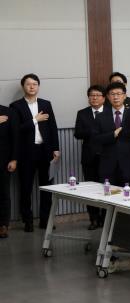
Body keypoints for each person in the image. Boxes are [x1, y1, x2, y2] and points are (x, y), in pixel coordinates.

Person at [10, 74, 60, 232]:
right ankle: (28, 221)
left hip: (45, 151)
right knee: (25, 188)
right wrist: (34, 120)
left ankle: (45, 220)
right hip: (26, 153)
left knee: (47, 188)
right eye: (28, 84)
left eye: (35, 84)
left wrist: (56, 148)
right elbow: (16, 129)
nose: (32, 87)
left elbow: (52, 127)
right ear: (23, 86)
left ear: (38, 86)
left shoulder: (46, 103)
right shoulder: (15, 106)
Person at [74, 85, 105, 230]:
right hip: (89, 157)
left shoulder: (110, 112)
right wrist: (91, 131)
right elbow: (77, 133)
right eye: (92, 95)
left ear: (104, 98)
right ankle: (93, 219)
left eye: (98, 95)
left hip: (107, 157)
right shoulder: (82, 113)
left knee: (106, 189)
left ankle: (105, 219)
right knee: (90, 190)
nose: (94, 98)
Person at [94, 82, 130, 187]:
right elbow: (96, 139)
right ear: (108, 97)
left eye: (119, 93)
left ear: (125, 96)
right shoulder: (100, 116)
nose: (116, 97)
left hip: (128, 164)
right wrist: (113, 134)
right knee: (108, 198)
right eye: (112, 94)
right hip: (107, 165)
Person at [0, 103, 18, 238]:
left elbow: (15, 137)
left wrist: (14, 159)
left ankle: (3, 225)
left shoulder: (8, 111)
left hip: (3, 160)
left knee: (3, 193)